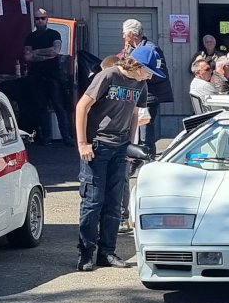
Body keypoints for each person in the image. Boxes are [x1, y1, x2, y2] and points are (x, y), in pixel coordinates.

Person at [74, 53, 152, 272]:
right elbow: (82, 106)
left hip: (120, 147)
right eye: (149, 71)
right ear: (137, 65)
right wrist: (83, 143)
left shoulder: (141, 84)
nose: (150, 76)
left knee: (114, 202)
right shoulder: (108, 76)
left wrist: (130, 145)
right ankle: (86, 253)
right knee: (93, 201)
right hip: (98, 145)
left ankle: (107, 252)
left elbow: (135, 114)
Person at [121, 19, 174, 149]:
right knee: (136, 128)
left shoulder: (151, 49)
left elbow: (160, 72)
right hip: (136, 95)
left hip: (148, 96)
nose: (123, 36)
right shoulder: (131, 49)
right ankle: (138, 153)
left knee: (145, 128)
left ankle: (147, 155)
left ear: (131, 34)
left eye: (124, 33)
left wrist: (140, 76)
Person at [23, 8, 72, 145]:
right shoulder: (30, 37)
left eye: (42, 18)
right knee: (41, 107)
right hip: (37, 77)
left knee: (59, 106)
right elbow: (27, 56)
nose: (40, 21)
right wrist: (46, 55)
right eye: (37, 18)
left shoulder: (54, 34)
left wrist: (37, 52)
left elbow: (55, 51)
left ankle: (66, 137)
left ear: (47, 19)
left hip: (53, 76)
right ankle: (47, 137)